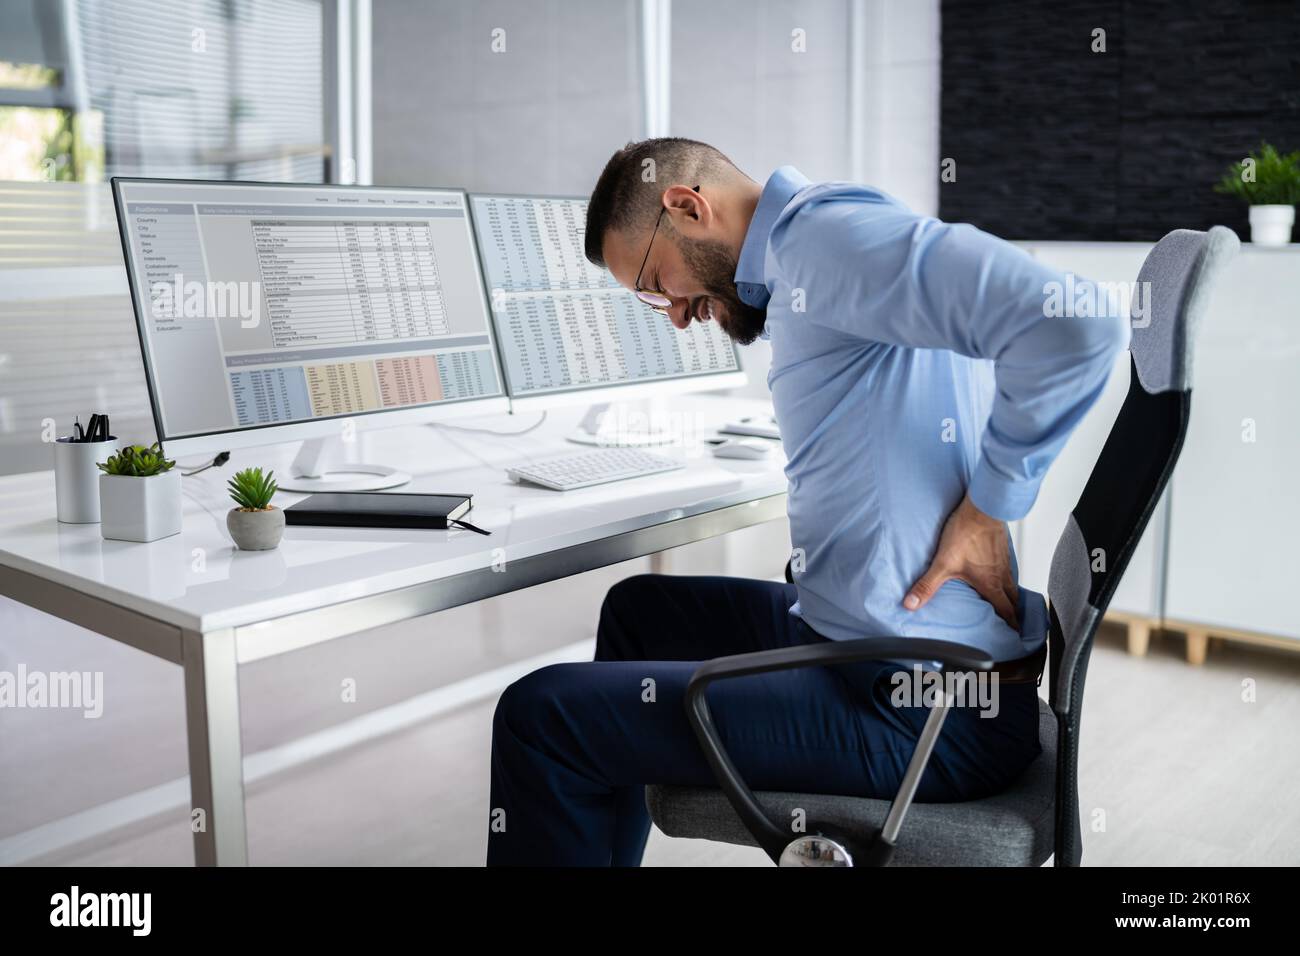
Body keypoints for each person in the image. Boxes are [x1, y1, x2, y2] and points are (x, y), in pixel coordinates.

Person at [486, 137, 1128, 866]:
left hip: (927, 714)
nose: (672, 314)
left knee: (540, 715)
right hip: (873, 654)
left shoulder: (827, 240)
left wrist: (990, 506)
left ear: (687, 206)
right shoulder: (810, 248)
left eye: (654, 280)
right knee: (640, 613)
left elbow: (1078, 325)